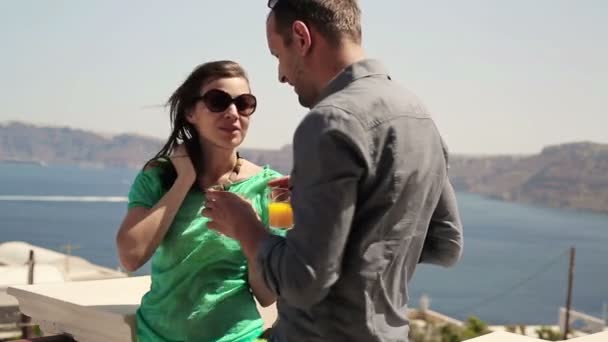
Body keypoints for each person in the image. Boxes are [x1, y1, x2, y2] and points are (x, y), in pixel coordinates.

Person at [202, 1, 464, 341]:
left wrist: (246, 226)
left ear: (301, 37)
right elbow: (446, 244)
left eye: (277, 55)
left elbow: (302, 282)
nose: (281, 75)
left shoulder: (330, 121)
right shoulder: (418, 116)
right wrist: (341, 220)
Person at [116, 60, 285, 342]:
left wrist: (247, 231)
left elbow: (268, 295)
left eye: (243, 103)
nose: (233, 113)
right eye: (218, 101)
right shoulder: (158, 177)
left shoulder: (276, 189)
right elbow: (130, 257)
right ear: (190, 112)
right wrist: (183, 181)